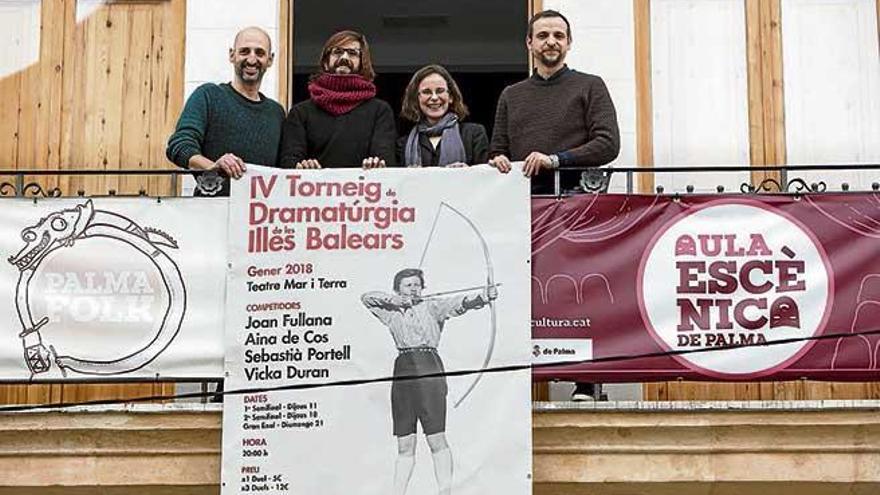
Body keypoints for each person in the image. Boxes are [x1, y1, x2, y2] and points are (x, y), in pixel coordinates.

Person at [362, 269, 497, 495]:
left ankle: (445, 491)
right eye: (407, 285)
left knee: (436, 437)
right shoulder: (391, 313)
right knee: (405, 443)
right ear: (398, 289)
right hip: (403, 371)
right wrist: (392, 300)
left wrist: (483, 297)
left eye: (417, 284)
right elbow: (366, 298)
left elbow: (459, 303)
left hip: (429, 367)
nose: (414, 288)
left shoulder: (433, 306)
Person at [489, 9, 620, 195]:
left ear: (569, 43)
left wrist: (555, 160)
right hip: (521, 201)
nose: (551, 42)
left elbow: (608, 144)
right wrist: (498, 159)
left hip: (576, 201)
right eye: (542, 36)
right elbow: (497, 151)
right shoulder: (511, 95)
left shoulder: (591, 85)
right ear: (529, 43)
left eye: (558, 35)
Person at [166, 27, 285, 196]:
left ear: (270, 60)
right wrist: (213, 167)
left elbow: (284, 169)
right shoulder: (208, 96)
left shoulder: (277, 113)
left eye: (259, 53)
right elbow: (179, 145)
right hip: (211, 213)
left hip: (259, 217)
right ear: (232, 55)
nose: (252, 59)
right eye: (244, 51)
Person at [280, 30, 396, 169]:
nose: (344, 57)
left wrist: (377, 165)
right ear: (325, 62)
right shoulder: (300, 113)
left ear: (362, 63)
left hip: (363, 190)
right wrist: (303, 168)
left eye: (352, 53)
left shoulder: (380, 111)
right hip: (315, 190)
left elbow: (386, 162)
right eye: (337, 51)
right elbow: (289, 165)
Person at [398, 65, 488, 167]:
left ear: (451, 97)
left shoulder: (474, 135)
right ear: (416, 99)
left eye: (440, 91)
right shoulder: (403, 144)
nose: (434, 97)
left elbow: (485, 178)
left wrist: (468, 172)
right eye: (426, 92)